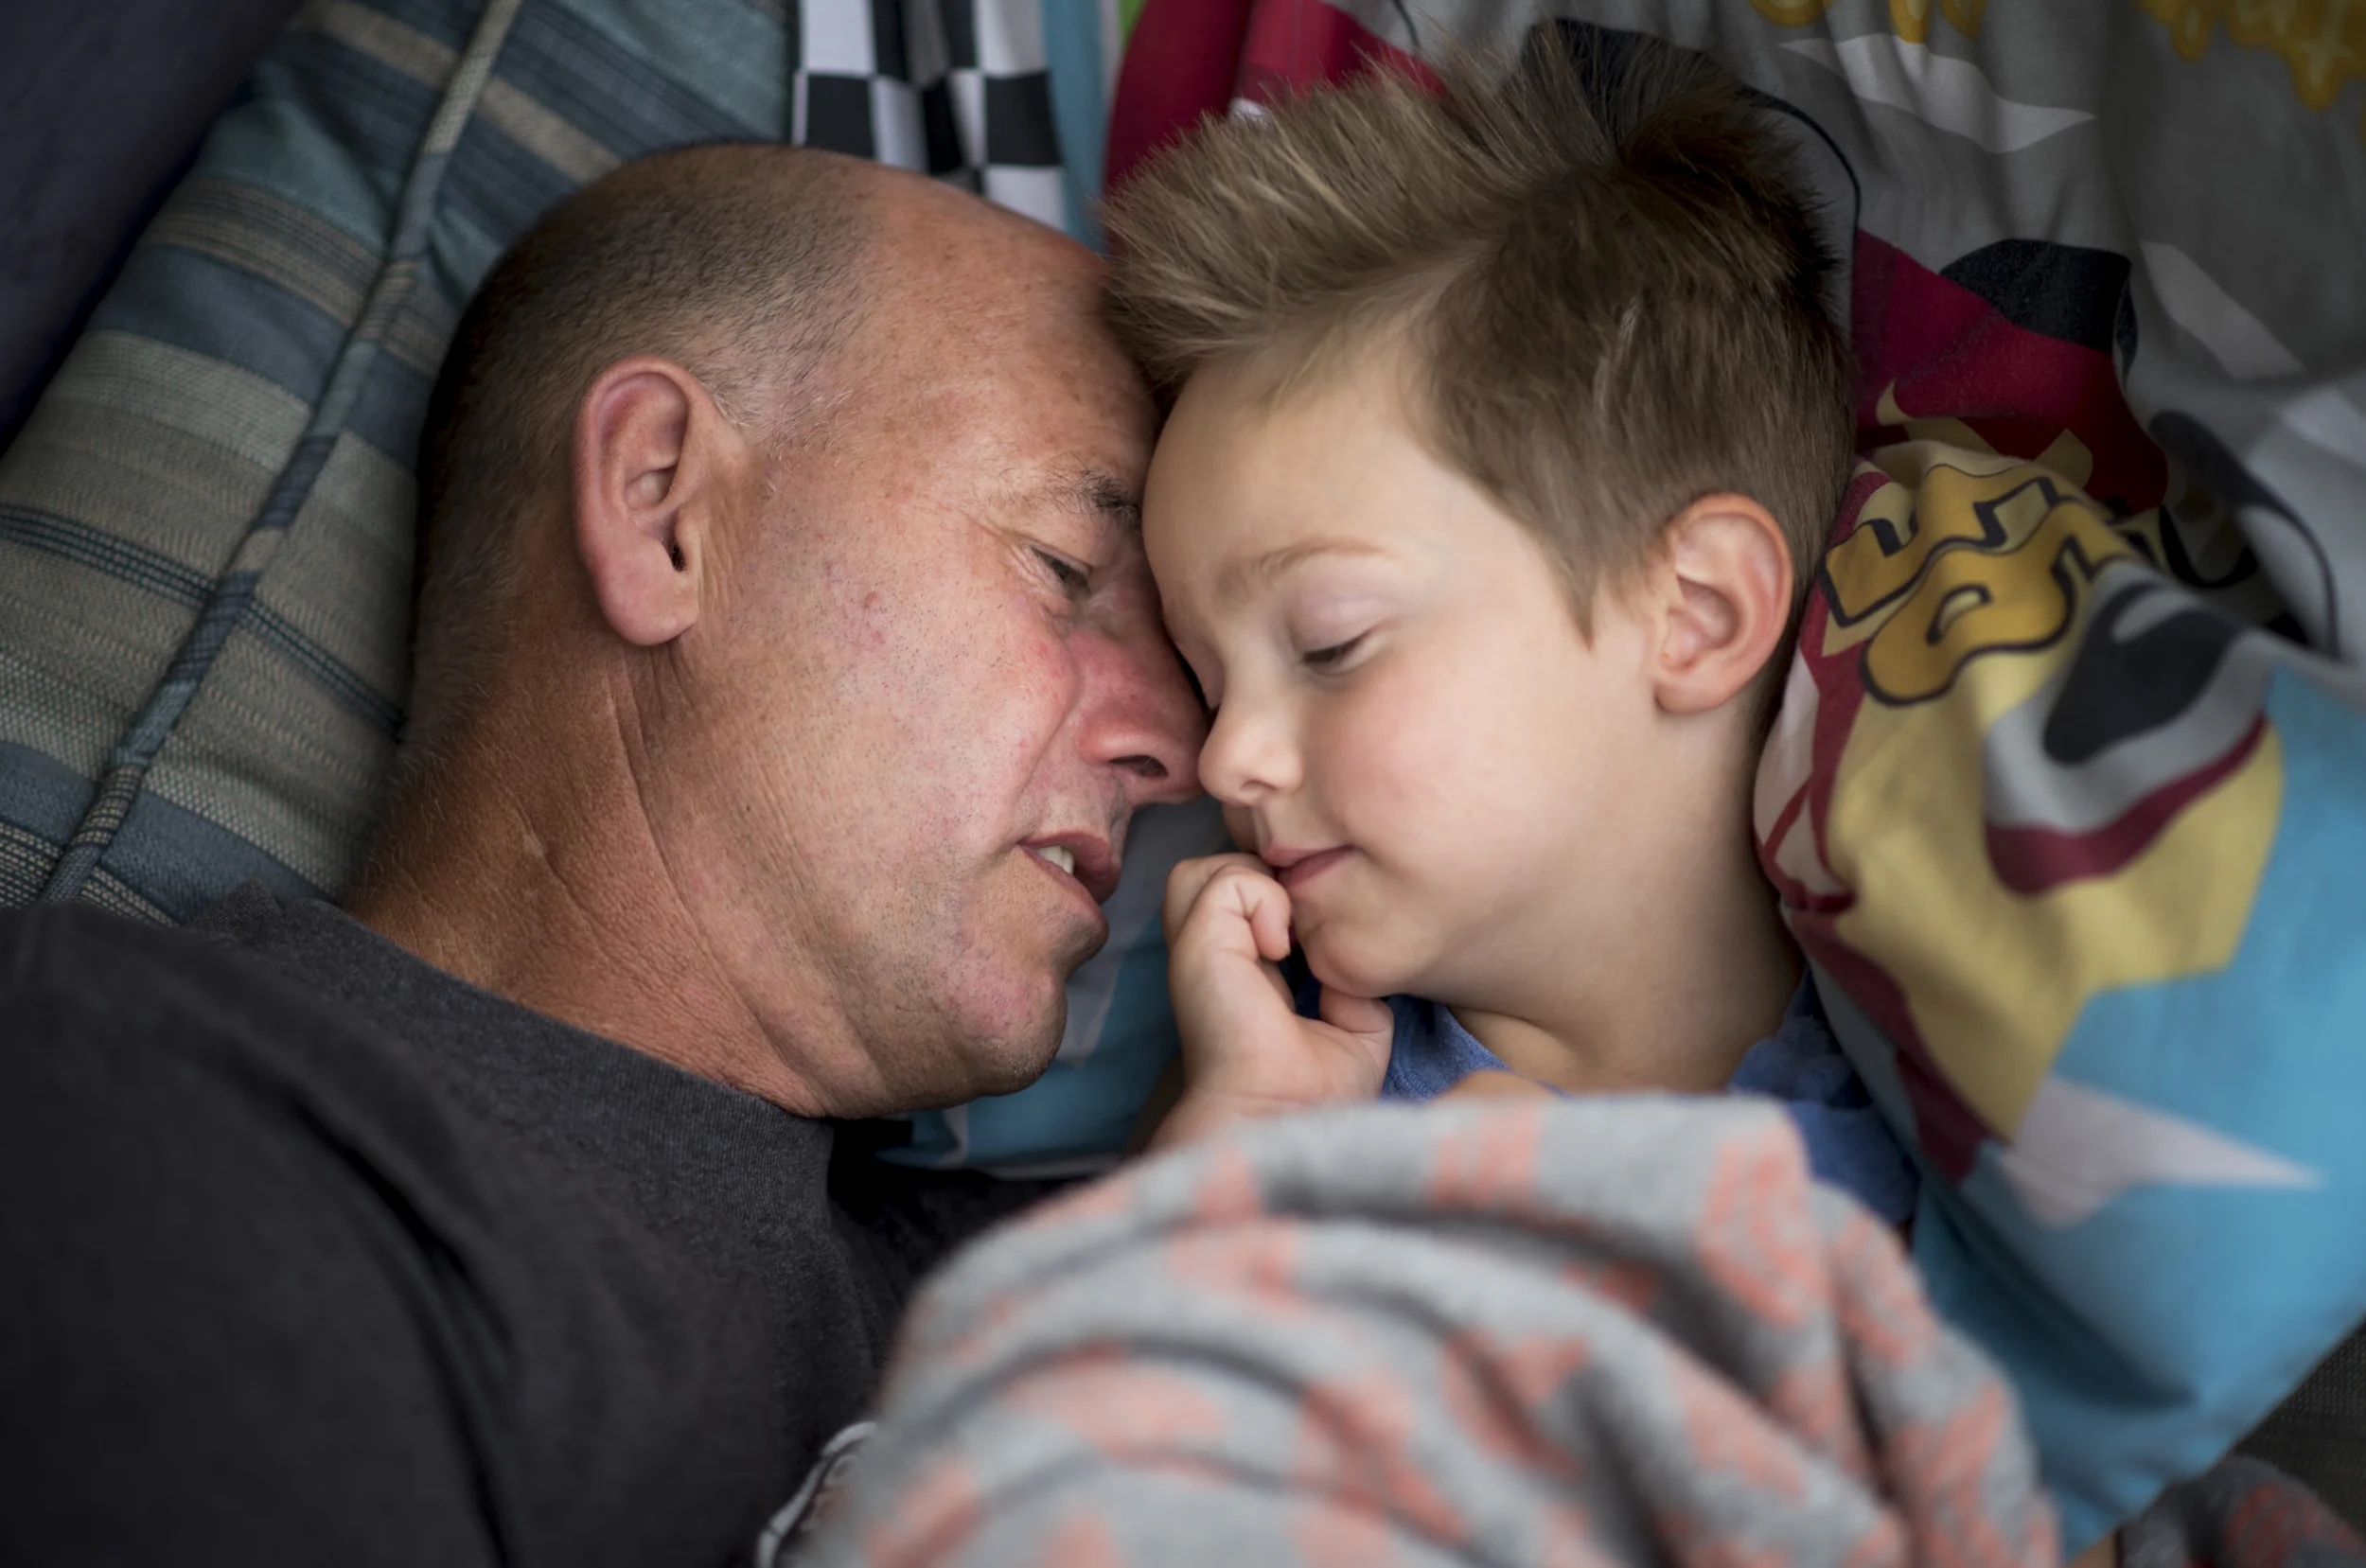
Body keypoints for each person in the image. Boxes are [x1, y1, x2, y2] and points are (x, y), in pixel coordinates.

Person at [0, 145, 1204, 1566]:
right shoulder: (143, 1120)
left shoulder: (1059, 1258)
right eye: (1066, 571)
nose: (1180, 746)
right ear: (662, 504)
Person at [1106, 42, 1916, 1220]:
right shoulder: (1275, 1088)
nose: (1225, 758)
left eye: (1329, 644)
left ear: (1692, 613)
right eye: (1206, 680)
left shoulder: (1908, 1147)